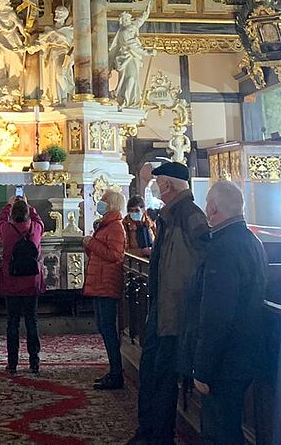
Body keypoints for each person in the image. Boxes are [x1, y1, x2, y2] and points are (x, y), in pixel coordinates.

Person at [128, 161, 209, 445]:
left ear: (168, 185)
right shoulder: (171, 215)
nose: (156, 189)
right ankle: (148, 431)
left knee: (163, 381)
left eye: (159, 183)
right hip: (162, 312)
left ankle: (158, 437)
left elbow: (201, 262)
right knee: (151, 375)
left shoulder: (190, 215)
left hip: (175, 316)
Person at [190, 181, 267, 445]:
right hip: (245, 350)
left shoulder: (222, 248)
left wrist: (202, 369)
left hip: (225, 359)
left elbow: (216, 314)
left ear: (211, 208)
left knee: (220, 433)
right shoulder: (250, 240)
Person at [0, 196, 45, 374]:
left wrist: (8, 205)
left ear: (11, 216)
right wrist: (29, 205)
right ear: (28, 215)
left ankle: (12, 362)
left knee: (12, 322)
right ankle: (34, 361)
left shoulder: (7, 230)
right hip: (32, 281)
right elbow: (39, 220)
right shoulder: (36, 228)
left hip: (12, 282)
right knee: (32, 321)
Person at [84, 188, 128, 390]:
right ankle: (113, 370)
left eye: (103, 200)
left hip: (106, 283)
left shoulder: (115, 227)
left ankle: (116, 373)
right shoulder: (106, 225)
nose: (99, 202)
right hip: (99, 282)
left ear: (110, 204)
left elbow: (115, 255)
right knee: (103, 327)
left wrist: (91, 243)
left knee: (108, 328)